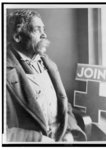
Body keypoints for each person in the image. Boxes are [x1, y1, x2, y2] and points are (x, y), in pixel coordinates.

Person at [6, 9, 87, 142]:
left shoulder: (49, 64)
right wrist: (37, 140)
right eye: (37, 30)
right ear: (17, 37)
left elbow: (64, 104)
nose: (44, 35)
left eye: (44, 29)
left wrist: (69, 131)